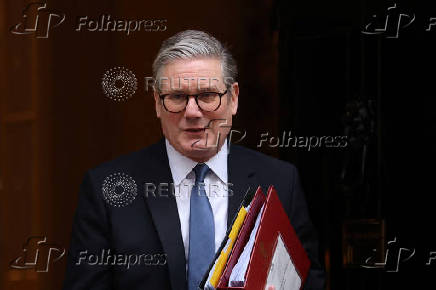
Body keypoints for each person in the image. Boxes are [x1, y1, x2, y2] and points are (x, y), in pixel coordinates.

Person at [63, 30, 325, 290]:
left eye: (207, 95)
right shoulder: (107, 189)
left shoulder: (280, 181)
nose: (192, 112)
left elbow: (308, 282)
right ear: (157, 101)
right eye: (177, 97)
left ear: (233, 98)